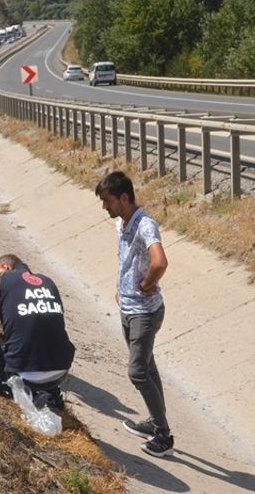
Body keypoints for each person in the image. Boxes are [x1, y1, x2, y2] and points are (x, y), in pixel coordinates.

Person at [96, 171, 174, 458]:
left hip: (145, 313)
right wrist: (123, 287)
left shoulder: (145, 225)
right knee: (149, 368)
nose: (105, 207)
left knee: (137, 372)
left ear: (124, 198)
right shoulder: (122, 224)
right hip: (128, 308)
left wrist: (146, 284)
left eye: (107, 201)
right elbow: (128, 259)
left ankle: (164, 436)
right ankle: (155, 422)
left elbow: (160, 262)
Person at [0, 255, 75, 411]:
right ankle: (52, 392)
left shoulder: (0, 280)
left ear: (5, 269)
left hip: (27, 373)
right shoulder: (48, 282)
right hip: (61, 369)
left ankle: (22, 393)